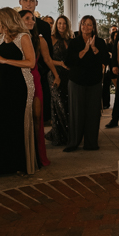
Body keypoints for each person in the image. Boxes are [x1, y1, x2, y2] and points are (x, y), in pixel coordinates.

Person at [0, 7, 37, 178]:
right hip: (1, 84)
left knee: (17, 122)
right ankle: (0, 165)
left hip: (20, 83)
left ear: (6, 21)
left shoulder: (23, 37)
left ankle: (20, 165)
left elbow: (31, 62)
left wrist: (6, 60)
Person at [64, 15, 108, 152]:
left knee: (93, 113)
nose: (86, 27)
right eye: (84, 24)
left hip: (94, 82)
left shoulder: (100, 42)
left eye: (89, 24)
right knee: (76, 113)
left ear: (94, 27)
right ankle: (73, 143)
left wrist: (94, 48)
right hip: (76, 82)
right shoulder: (74, 42)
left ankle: (91, 143)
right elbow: (68, 62)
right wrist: (84, 50)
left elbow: (106, 59)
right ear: (80, 25)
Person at [19, 10, 56, 167]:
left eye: (32, 19)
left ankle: (36, 156)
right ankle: (21, 155)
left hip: (35, 79)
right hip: (17, 81)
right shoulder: (13, 39)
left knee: (36, 118)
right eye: (26, 18)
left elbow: (47, 59)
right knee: (20, 119)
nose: (31, 21)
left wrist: (57, 75)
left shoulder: (39, 40)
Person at [19, 0, 53, 122]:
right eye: (25, 0)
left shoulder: (44, 26)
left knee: (37, 115)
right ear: (20, 2)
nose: (28, 4)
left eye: (32, 0)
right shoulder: (11, 23)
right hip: (16, 74)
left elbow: (48, 52)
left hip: (38, 73)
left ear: (36, 3)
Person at [48, 15, 72, 147]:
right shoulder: (51, 39)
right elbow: (47, 59)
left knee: (67, 104)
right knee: (59, 105)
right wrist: (61, 64)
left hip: (67, 75)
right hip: (54, 73)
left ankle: (69, 134)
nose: (62, 26)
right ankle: (62, 135)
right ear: (56, 25)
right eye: (59, 23)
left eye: (64, 24)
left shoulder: (70, 39)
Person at [102, 25, 118, 109]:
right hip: (108, 66)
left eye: (115, 30)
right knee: (106, 85)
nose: (114, 31)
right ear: (110, 31)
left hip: (115, 66)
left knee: (117, 85)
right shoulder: (106, 41)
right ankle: (106, 104)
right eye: (113, 30)